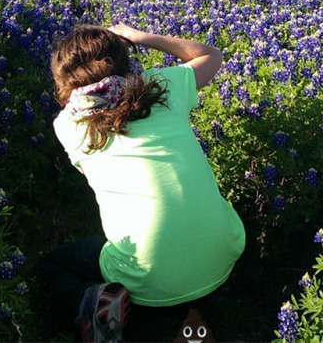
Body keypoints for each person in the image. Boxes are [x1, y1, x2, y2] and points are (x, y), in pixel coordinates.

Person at [35, 23, 245, 342]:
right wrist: (142, 37)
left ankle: (92, 302)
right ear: (125, 60)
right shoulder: (162, 85)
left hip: (144, 284)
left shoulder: (68, 126)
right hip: (222, 261)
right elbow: (211, 56)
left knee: (48, 267)